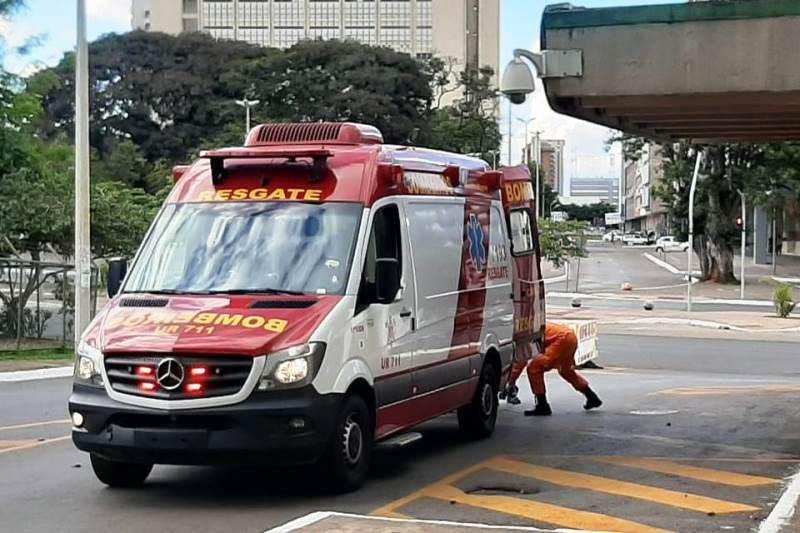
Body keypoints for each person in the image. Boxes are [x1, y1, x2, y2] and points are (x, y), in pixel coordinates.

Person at [505, 322, 602, 416]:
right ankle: (592, 397)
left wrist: (510, 382)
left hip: (561, 339)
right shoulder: (526, 327)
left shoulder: (520, 337)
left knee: (534, 368)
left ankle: (542, 405)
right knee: (566, 371)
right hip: (570, 337)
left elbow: (520, 362)